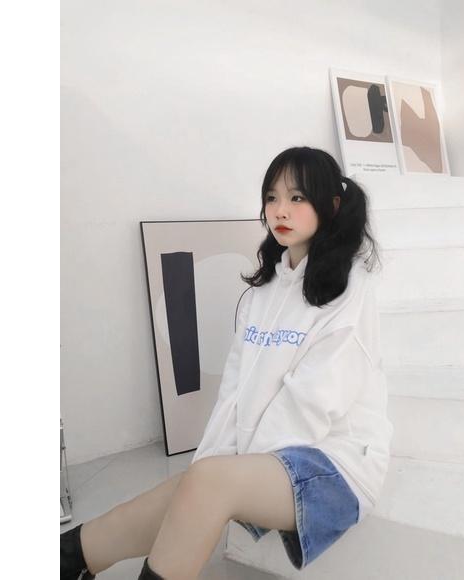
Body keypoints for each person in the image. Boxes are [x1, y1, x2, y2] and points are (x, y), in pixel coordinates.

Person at [60, 146, 394, 580]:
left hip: (335, 462)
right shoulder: (262, 292)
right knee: (196, 482)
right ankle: (65, 558)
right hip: (270, 455)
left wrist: (223, 475)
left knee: (207, 484)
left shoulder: (351, 291)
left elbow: (312, 404)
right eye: (271, 198)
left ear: (330, 205)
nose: (280, 210)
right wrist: (210, 464)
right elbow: (234, 393)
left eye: (296, 197)